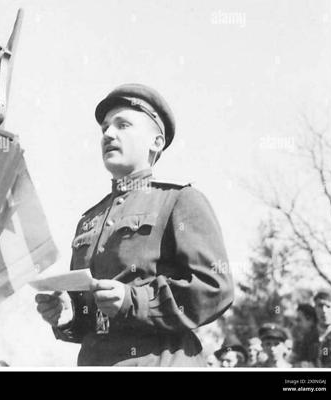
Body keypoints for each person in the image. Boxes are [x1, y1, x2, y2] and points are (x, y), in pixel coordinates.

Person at [35, 83, 234, 366]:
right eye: (104, 128)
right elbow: (95, 317)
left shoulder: (179, 201)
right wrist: (69, 315)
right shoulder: (89, 220)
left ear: (156, 142)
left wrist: (134, 300)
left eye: (123, 125)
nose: (108, 134)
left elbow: (215, 287)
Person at [314, 289, 331, 368]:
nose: (324, 310)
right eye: (320, 306)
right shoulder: (308, 334)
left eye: (328, 306)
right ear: (315, 308)